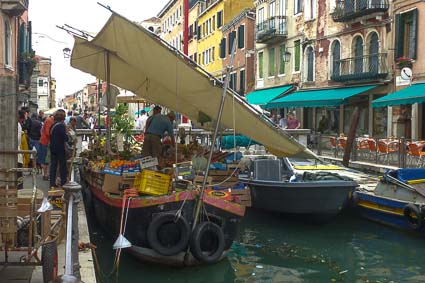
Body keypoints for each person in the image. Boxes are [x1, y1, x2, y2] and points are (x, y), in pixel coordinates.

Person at [49, 109, 68, 189]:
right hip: (60, 148)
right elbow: (65, 138)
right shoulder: (61, 126)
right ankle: (63, 182)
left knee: (53, 165)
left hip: (52, 147)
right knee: (62, 166)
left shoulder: (53, 125)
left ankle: (52, 183)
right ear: (63, 117)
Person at [39, 114, 54, 180]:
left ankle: (46, 174)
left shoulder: (49, 120)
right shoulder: (49, 121)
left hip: (45, 142)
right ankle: (45, 174)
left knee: (46, 159)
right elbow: (48, 133)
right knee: (45, 159)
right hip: (45, 142)